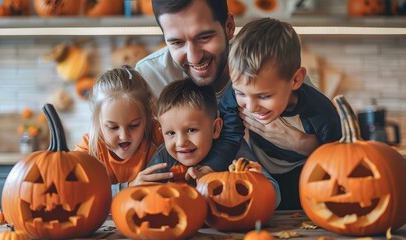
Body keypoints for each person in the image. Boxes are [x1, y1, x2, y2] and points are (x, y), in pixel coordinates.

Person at [134, 0, 319, 179]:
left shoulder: (265, 61)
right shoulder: (149, 76)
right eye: (176, 43)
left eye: (204, 37)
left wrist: (302, 143)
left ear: (229, 26)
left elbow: (333, 144)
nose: (194, 57)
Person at [222, 18, 342, 210]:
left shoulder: (320, 112)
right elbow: (228, 138)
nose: (251, 107)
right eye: (241, 93)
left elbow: (339, 160)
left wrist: (304, 144)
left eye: (264, 95)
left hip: (305, 178)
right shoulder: (233, 98)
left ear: (296, 80)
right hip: (263, 176)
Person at [135, 78, 281, 207]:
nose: (180, 142)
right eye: (171, 133)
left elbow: (274, 194)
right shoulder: (163, 160)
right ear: (162, 133)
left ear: (216, 128)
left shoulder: (234, 153)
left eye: (191, 130)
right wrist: (135, 189)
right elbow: (142, 201)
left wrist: (241, 183)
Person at [75, 67, 165, 196]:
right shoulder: (89, 148)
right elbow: (75, 190)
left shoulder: (159, 135)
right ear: (98, 122)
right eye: (113, 127)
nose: (124, 136)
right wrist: (128, 188)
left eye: (134, 125)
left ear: (147, 118)